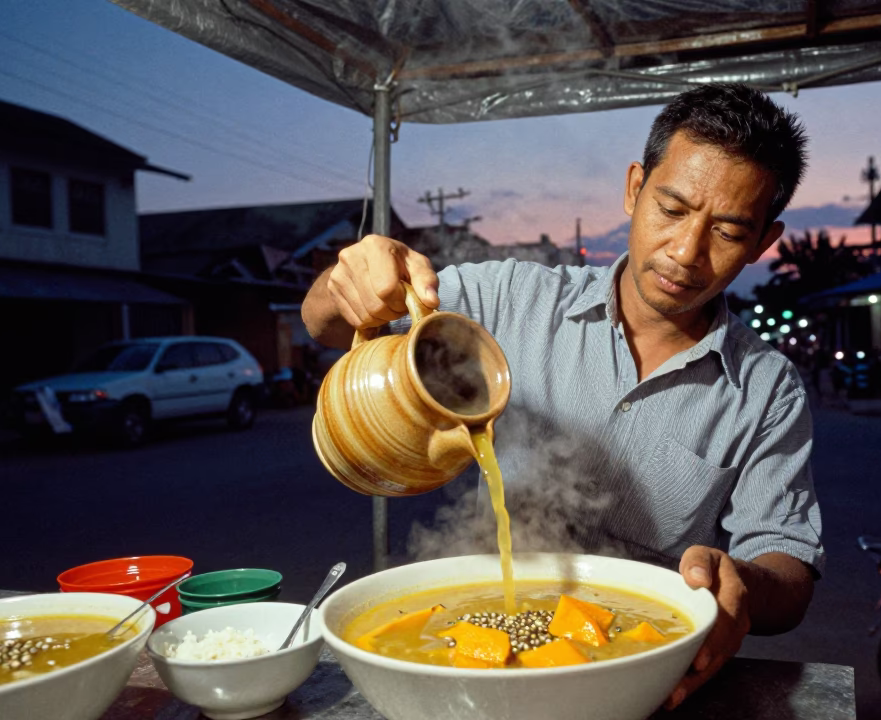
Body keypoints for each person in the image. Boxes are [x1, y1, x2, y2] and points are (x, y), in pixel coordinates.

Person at [303, 83, 823, 708]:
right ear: (635, 189)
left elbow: (788, 566)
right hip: (493, 630)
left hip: (642, 663)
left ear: (765, 241)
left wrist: (741, 584)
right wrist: (349, 283)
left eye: (730, 232)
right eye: (672, 209)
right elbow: (323, 324)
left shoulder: (766, 388)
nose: (686, 252)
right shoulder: (512, 299)